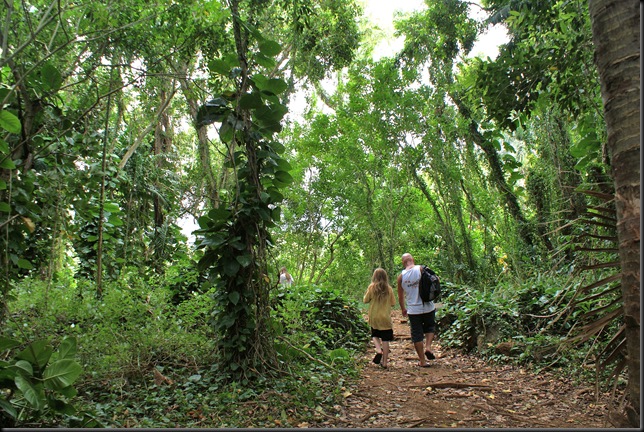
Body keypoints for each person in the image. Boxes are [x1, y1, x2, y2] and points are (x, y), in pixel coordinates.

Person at [397, 253, 437, 368]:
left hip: (413, 310)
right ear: (412, 260)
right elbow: (436, 279)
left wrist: (403, 309)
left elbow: (400, 296)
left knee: (417, 334)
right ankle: (428, 347)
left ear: (403, 263)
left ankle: (422, 361)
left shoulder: (401, 277)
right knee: (430, 327)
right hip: (428, 306)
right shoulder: (422, 269)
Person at [363, 267, 397, 369]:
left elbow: (365, 300)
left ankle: (378, 349)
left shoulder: (371, 287)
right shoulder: (389, 289)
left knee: (375, 334)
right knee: (385, 339)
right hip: (385, 318)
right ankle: (385, 362)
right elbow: (393, 303)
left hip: (374, 317)